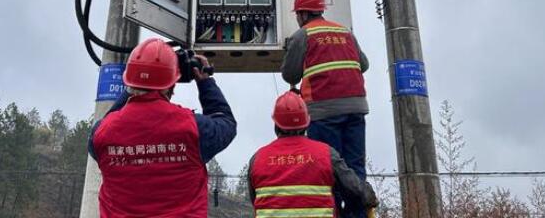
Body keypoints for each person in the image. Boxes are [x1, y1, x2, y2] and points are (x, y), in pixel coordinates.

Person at [88, 38, 236, 218]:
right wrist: (205, 82)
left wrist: (130, 89)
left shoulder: (101, 135)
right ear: (172, 84)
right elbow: (225, 122)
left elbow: (109, 121)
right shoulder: (192, 129)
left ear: (129, 81)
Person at [280, 0, 370, 217]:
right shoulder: (344, 32)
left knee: (328, 171)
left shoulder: (302, 36)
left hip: (323, 111)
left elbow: (290, 76)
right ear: (320, 9)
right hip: (356, 108)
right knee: (354, 170)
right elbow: (364, 64)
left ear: (301, 14)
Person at [247, 91, 377, 218]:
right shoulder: (326, 154)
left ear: (276, 124)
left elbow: (255, 201)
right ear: (306, 123)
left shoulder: (257, 159)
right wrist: (368, 194)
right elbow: (354, 187)